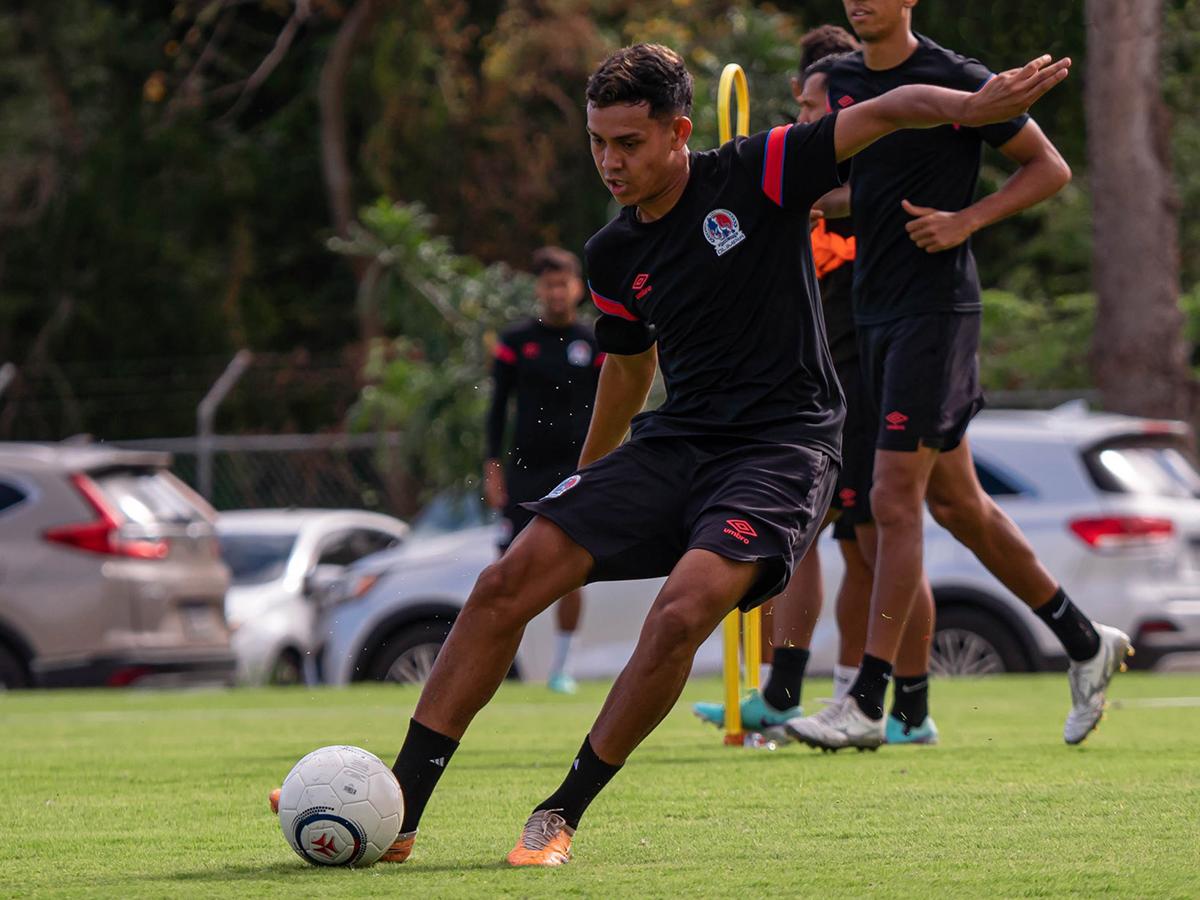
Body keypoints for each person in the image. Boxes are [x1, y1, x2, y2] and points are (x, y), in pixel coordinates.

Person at [265, 41, 1069, 866]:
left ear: (680, 131)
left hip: (784, 448)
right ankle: (399, 811)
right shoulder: (613, 253)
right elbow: (628, 364)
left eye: (629, 142)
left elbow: (889, 110)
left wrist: (972, 109)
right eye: (596, 142)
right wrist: (585, 474)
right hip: (680, 438)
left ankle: (558, 814)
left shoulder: (761, 172)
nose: (609, 162)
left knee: (684, 610)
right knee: (506, 581)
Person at [784, 0, 1129, 753]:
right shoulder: (840, 78)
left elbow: (1050, 168)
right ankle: (1084, 640)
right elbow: (861, 185)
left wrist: (966, 221)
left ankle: (870, 703)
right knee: (962, 507)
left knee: (890, 501)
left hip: (936, 311)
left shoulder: (957, 78)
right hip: (871, 315)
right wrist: (812, 199)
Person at [692, 26, 939, 745]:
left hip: (874, 362)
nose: (804, 120)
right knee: (833, 537)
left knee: (885, 533)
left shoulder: (867, 173)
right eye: (801, 106)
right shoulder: (809, 172)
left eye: (812, 105)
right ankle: (801, 690)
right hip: (834, 365)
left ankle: (900, 706)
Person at [484, 246, 602, 694]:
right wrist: (493, 466)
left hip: (574, 469)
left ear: (577, 288)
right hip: (525, 471)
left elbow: (613, 402)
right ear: (539, 290)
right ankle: (494, 663)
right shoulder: (516, 341)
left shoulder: (593, 342)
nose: (556, 292)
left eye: (563, 283)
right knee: (506, 571)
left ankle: (561, 668)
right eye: (548, 284)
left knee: (570, 568)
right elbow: (496, 408)